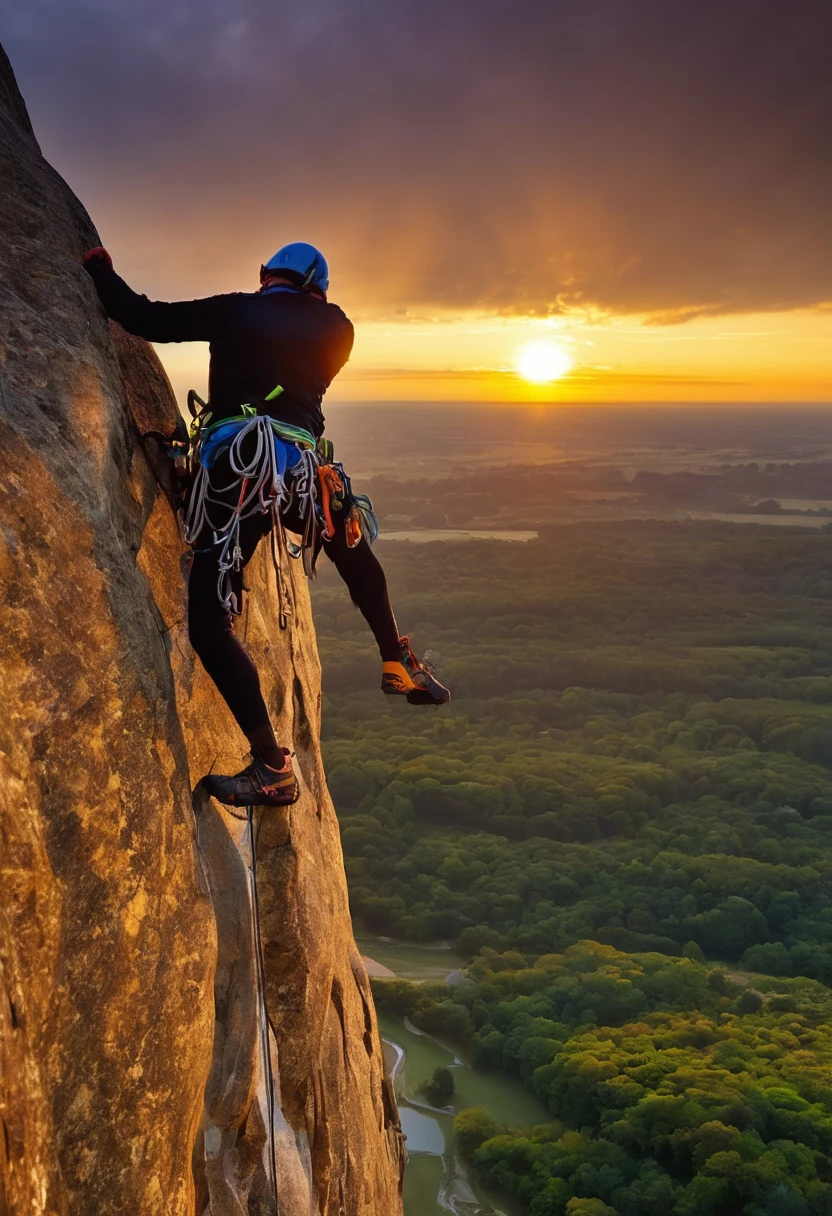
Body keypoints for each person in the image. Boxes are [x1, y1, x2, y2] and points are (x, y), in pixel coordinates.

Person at [83, 241, 450, 808]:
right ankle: (396, 656)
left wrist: (100, 271)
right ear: (317, 287)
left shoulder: (236, 309)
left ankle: (273, 766)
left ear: (265, 276)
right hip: (302, 472)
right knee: (347, 543)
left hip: (238, 472)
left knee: (209, 623)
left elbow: (142, 316)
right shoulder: (338, 329)